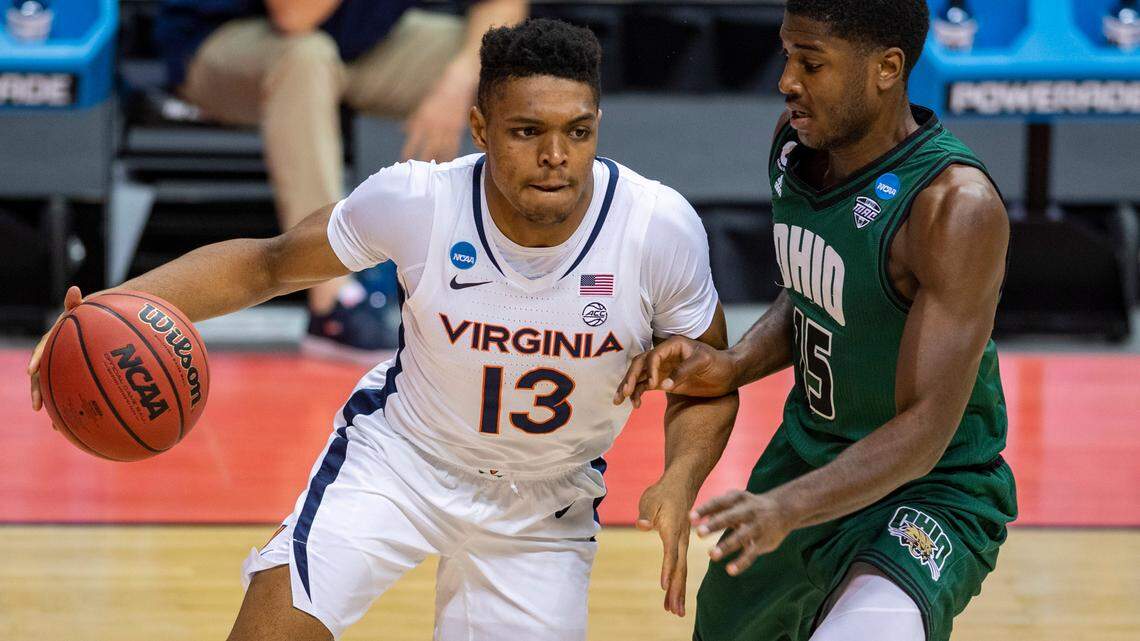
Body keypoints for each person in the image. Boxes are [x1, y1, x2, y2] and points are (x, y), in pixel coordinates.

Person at [29, 19, 738, 641]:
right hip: (402, 464)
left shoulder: (655, 227)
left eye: (577, 132)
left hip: (545, 504)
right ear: (482, 128)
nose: (557, 155)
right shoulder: (418, 202)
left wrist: (680, 478)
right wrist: (103, 306)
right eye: (529, 131)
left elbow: (711, 377)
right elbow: (265, 266)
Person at [615, 1, 1017, 640]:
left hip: (930, 489)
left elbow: (924, 434)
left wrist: (785, 508)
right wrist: (733, 365)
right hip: (807, 459)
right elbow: (819, 287)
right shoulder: (797, 143)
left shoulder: (953, 207)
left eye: (812, 62)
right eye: (786, 54)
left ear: (886, 68)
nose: (786, 80)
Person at [154, 0, 527, 360]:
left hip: (356, 48)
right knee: (305, 56)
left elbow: (502, 8)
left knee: (507, 59)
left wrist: (459, 80)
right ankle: (330, 298)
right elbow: (293, 15)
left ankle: (528, 278)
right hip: (223, 44)